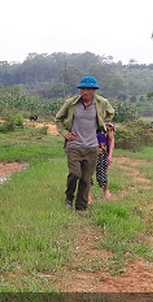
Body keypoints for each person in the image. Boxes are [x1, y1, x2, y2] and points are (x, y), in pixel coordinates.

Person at [55, 76, 114, 211]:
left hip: (92, 148)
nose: (85, 92)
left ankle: (81, 207)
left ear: (94, 91)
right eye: (83, 89)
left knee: (86, 179)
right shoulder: (71, 103)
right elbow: (58, 119)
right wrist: (65, 133)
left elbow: (111, 113)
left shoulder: (101, 103)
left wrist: (103, 125)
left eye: (88, 90)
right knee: (75, 174)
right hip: (74, 146)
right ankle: (69, 197)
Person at [88, 122, 116, 203]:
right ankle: (88, 195)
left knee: (102, 173)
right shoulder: (88, 120)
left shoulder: (107, 125)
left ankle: (106, 191)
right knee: (87, 174)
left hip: (102, 153)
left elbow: (111, 140)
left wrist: (110, 155)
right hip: (88, 152)